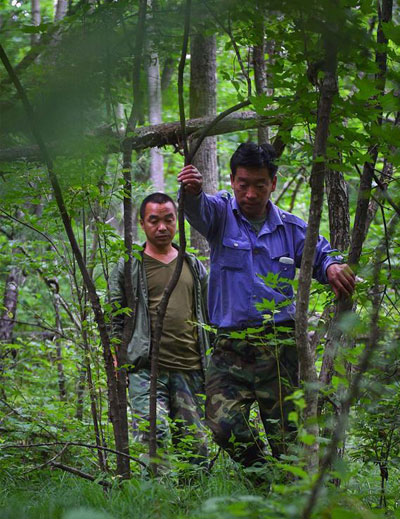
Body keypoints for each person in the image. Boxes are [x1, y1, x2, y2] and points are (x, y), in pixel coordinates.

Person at [178, 142, 355, 469]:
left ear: (272, 183)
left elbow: (322, 255)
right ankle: (265, 480)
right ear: (232, 180)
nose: (250, 193)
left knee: (286, 437)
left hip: (279, 346)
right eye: (243, 184)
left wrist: (332, 267)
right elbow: (197, 210)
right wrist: (191, 191)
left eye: (259, 185)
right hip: (230, 345)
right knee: (222, 425)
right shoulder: (219, 215)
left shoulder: (292, 228)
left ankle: (290, 496)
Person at [109, 192, 210, 468]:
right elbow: (115, 315)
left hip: (190, 369)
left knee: (195, 446)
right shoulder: (129, 266)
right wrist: (116, 352)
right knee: (154, 437)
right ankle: (156, 504)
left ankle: (196, 505)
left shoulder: (192, 265)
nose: (162, 227)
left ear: (177, 221)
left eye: (168, 219)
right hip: (145, 368)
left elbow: (208, 316)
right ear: (142, 223)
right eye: (154, 220)